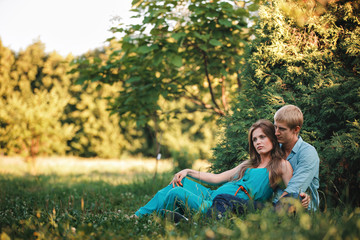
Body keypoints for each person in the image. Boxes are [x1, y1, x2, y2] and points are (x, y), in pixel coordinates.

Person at [133, 119, 293, 220]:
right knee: (177, 185)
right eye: (255, 139)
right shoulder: (248, 164)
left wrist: (304, 200)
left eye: (262, 137)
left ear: (272, 137)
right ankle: (138, 216)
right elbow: (217, 178)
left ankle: (165, 221)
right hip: (211, 195)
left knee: (175, 193)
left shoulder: (281, 165)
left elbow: (294, 191)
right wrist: (188, 171)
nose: (258, 142)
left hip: (222, 206)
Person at [209, 105, 319, 217]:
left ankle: (265, 220)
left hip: (297, 210)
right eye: (275, 127)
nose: (276, 133)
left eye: (281, 129)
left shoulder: (308, 153)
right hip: (271, 208)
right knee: (224, 199)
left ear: (296, 129)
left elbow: (294, 191)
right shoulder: (275, 149)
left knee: (294, 197)